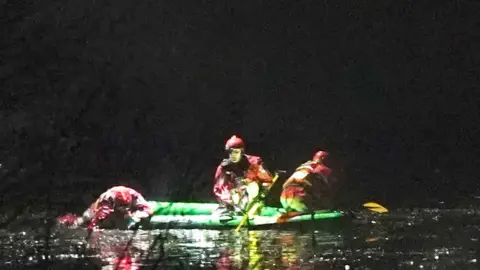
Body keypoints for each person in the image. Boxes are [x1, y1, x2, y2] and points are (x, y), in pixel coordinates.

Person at [213, 135, 274, 215]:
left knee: (252, 187)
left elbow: (267, 180)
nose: (233, 155)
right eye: (230, 152)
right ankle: (232, 210)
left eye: (236, 152)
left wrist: (263, 192)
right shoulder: (224, 168)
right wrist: (230, 201)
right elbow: (219, 189)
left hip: (252, 198)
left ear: (241, 152)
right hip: (233, 199)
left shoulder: (253, 163)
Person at [58, 185, 154, 230]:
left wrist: (135, 216)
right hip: (96, 209)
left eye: (126, 206)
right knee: (84, 220)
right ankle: (65, 220)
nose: (124, 208)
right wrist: (92, 229)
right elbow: (98, 218)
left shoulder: (134, 195)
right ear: (116, 202)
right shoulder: (108, 198)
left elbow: (148, 210)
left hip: (126, 212)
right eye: (121, 206)